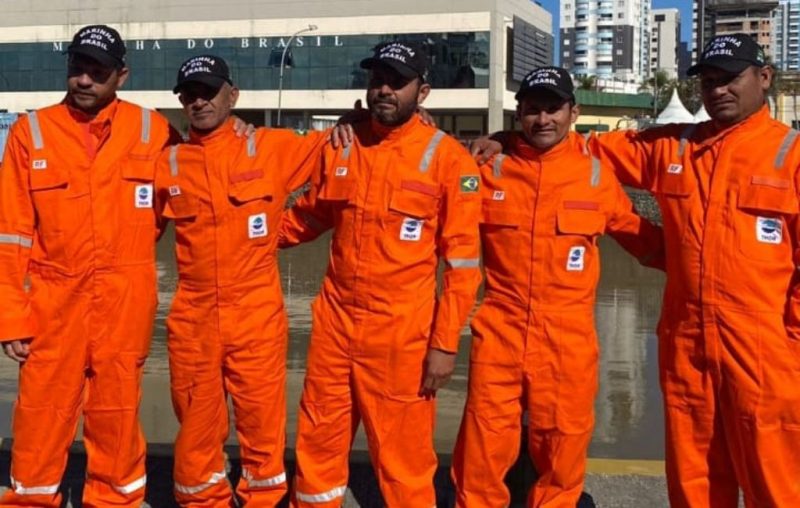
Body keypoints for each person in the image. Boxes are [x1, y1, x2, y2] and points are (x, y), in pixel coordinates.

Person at [477, 34, 800, 507]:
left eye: (730, 78)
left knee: (775, 473)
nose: (717, 90)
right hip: (687, 343)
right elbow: (576, 147)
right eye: (709, 81)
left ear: (764, 78)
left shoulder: (790, 155)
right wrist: (508, 138)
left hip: (766, 349)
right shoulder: (673, 148)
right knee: (693, 476)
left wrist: (792, 342)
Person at [278, 41, 482, 507]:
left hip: (402, 336)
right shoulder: (343, 146)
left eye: (397, 81)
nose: (384, 89)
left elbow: (463, 264)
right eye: (377, 80)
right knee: (317, 445)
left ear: (423, 91)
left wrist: (444, 344)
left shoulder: (449, 160)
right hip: (334, 326)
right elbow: (311, 216)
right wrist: (253, 240)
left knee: (404, 460)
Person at [450, 66, 664, 507]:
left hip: (568, 341)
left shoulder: (595, 176)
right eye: (532, 110)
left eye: (553, 109)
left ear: (574, 112)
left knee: (562, 453)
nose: (543, 119)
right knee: (481, 451)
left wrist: (701, 265)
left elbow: (644, 241)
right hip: (498, 333)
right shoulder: (486, 169)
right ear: (518, 114)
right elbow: (428, 168)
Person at [0, 25, 177, 506]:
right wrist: (11, 315)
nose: (84, 80)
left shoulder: (154, 129)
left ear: (121, 75)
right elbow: (10, 234)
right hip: (53, 300)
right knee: (41, 410)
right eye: (77, 68)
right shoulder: (31, 132)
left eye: (97, 72)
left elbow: (196, 176)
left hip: (125, 297)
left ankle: (115, 499)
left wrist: (239, 128)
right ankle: (32, 499)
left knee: (116, 412)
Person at [154, 55, 341, 506]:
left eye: (209, 91)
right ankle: (204, 498)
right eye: (190, 94)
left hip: (256, 314)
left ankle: (264, 498)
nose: (199, 102)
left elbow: (341, 150)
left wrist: (288, 231)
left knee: (261, 423)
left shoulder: (272, 147)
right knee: (197, 422)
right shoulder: (167, 162)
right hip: (193, 315)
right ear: (180, 101)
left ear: (232, 95)